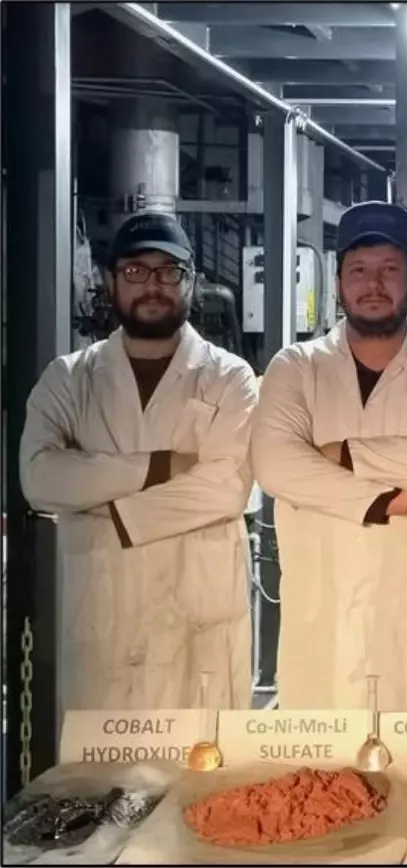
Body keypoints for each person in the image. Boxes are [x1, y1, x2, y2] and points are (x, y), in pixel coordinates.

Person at [19, 211, 257, 711]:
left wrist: (103, 503)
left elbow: (226, 488)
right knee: (97, 760)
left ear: (192, 280)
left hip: (198, 631)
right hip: (103, 628)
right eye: (135, 270)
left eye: (169, 271)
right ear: (110, 280)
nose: (152, 285)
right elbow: (40, 479)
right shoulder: (68, 380)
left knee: (202, 759)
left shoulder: (229, 378)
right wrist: (159, 466)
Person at [252, 201, 407, 712]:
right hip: (321, 625)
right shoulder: (295, 368)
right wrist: (382, 501)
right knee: (318, 759)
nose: (373, 284)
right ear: (338, 283)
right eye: (358, 269)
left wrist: (335, 453)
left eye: (389, 269)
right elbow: (275, 465)